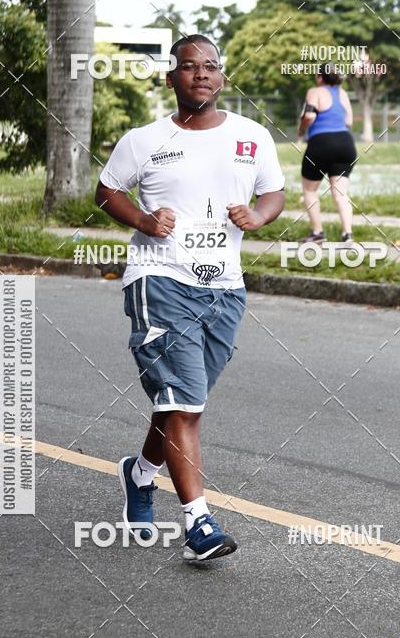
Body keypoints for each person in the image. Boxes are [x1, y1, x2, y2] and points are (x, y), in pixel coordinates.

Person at [95, 34, 285, 563]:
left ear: (221, 77)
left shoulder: (252, 136)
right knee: (185, 400)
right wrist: (142, 219)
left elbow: (274, 192)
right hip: (159, 278)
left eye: (210, 66)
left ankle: (141, 473)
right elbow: (107, 190)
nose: (200, 74)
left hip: (225, 286)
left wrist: (260, 215)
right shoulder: (143, 139)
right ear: (171, 78)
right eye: (188, 66)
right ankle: (198, 525)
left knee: (183, 399)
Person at [297, 63, 357, 243]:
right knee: (341, 194)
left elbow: (309, 116)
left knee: (309, 190)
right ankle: (347, 234)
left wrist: (301, 130)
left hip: (321, 143)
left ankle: (318, 233)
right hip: (345, 143)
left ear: (320, 77)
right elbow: (349, 120)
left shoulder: (315, 91)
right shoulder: (343, 93)